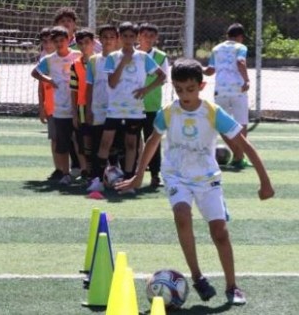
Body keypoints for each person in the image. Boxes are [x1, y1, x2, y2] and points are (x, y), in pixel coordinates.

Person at [116, 58, 274, 306]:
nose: (184, 94)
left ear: (201, 86)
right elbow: (152, 142)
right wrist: (138, 176)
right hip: (176, 174)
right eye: (179, 89)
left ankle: (232, 286)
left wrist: (265, 181)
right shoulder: (168, 112)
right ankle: (198, 276)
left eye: (190, 89)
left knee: (219, 233)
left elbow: (245, 144)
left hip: (207, 177)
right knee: (181, 214)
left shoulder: (212, 112)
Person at [93, 21, 166, 186]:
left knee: (132, 144)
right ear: (120, 37)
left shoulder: (143, 57)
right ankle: (97, 179)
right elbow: (111, 83)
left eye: (131, 36)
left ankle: (128, 181)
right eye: (125, 36)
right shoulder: (113, 57)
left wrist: (146, 89)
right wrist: (123, 63)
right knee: (105, 142)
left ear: (136, 37)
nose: (128, 39)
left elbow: (162, 76)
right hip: (115, 108)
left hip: (135, 109)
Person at [31, 26, 81, 185]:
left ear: (68, 40)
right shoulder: (49, 59)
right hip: (60, 108)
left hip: (79, 106)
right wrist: (49, 80)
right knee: (62, 144)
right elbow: (35, 72)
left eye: (62, 40)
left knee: (81, 142)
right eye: (56, 41)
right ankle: (65, 173)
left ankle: (86, 173)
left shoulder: (77, 55)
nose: (59, 43)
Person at [203, 23, 251, 169]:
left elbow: (210, 70)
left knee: (222, 123)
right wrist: (247, 80)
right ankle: (239, 156)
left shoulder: (216, 49)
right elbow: (240, 62)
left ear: (227, 35)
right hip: (238, 88)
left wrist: (198, 68)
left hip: (220, 90)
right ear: (240, 37)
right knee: (241, 122)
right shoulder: (240, 47)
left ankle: (237, 154)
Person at [85, 24, 119, 192]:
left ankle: (116, 177)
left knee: (116, 145)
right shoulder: (93, 60)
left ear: (117, 40)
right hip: (98, 109)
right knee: (98, 144)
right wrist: (88, 109)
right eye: (105, 37)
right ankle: (96, 178)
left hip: (117, 109)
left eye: (112, 37)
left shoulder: (121, 58)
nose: (108, 40)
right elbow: (89, 87)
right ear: (100, 39)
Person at [137, 23, 169, 187]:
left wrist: (146, 89)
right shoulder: (130, 54)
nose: (148, 39)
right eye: (145, 35)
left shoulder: (160, 56)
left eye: (152, 36)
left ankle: (155, 174)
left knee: (153, 141)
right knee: (133, 142)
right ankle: (132, 173)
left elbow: (163, 78)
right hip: (131, 107)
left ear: (156, 38)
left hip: (152, 105)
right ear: (139, 36)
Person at [70, 28, 96, 180]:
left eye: (87, 42)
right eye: (81, 43)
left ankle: (100, 171)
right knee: (81, 138)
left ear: (93, 43)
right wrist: (74, 113)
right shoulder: (75, 64)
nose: (84, 46)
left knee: (97, 139)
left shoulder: (99, 61)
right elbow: (73, 90)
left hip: (98, 107)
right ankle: (85, 170)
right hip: (81, 107)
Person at [36, 27, 59, 180]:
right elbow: (40, 86)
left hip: (66, 104)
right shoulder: (43, 59)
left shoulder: (66, 57)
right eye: (44, 41)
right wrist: (41, 106)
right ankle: (58, 168)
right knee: (55, 138)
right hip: (51, 105)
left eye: (50, 41)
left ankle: (78, 168)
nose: (47, 44)